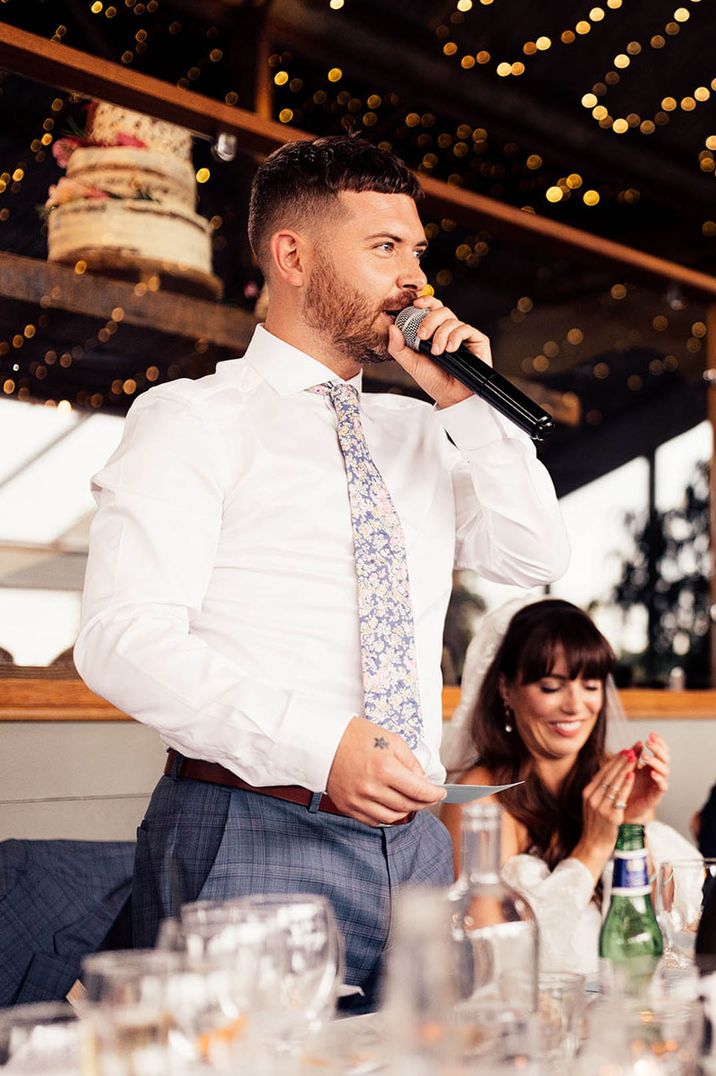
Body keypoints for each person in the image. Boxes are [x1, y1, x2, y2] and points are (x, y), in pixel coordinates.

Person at [74, 135, 569, 1009]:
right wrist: (317, 743)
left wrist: (471, 406)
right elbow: (124, 640)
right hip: (252, 828)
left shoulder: (425, 428)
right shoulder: (194, 417)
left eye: (416, 251)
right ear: (292, 256)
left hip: (416, 846)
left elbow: (533, 559)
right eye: (384, 248)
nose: (414, 277)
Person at [441, 598, 699, 976]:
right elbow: (491, 964)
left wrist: (635, 825)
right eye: (551, 687)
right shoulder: (480, 797)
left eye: (591, 685)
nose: (576, 705)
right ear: (506, 690)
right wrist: (593, 847)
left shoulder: (611, 776)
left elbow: (670, 938)